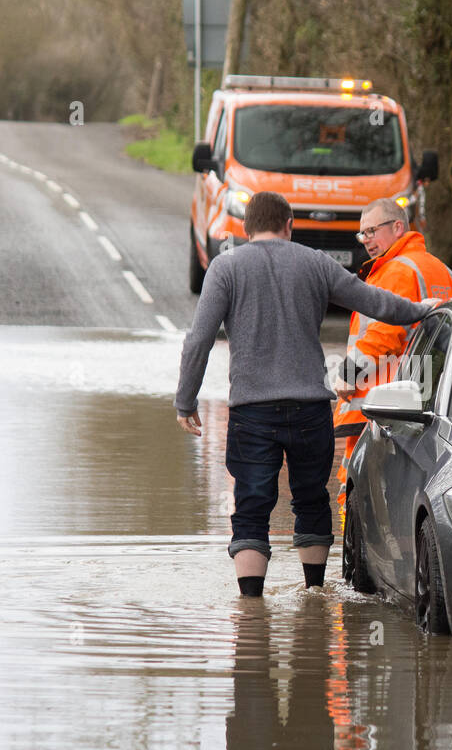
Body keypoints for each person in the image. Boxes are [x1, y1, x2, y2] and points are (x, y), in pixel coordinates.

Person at [175, 191, 437, 597]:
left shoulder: (225, 268)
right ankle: (314, 594)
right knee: (312, 500)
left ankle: (251, 608)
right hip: (310, 408)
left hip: (252, 412)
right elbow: (378, 303)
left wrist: (185, 401)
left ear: (246, 228)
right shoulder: (315, 262)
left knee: (252, 507)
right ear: (289, 224)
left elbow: (198, 341)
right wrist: (422, 310)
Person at [332, 198, 452, 517]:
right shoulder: (446, 273)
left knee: (362, 492)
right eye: (362, 234)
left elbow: (383, 335)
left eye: (372, 231)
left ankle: (356, 564)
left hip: (384, 405)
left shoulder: (395, 271)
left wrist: (348, 374)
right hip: (434, 401)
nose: (367, 241)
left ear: (398, 227)